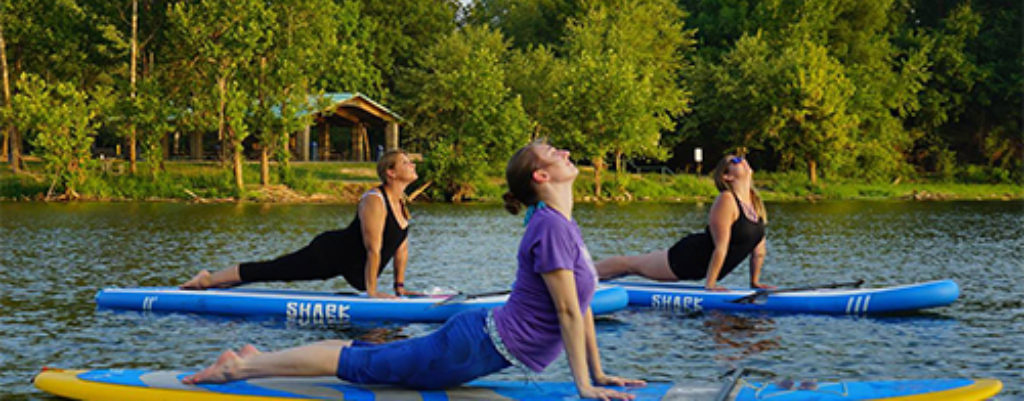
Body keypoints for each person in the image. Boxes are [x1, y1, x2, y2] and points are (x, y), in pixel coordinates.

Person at [184, 141, 645, 400]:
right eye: (553, 152)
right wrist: (583, 387)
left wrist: (599, 376)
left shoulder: (562, 224)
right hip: (473, 347)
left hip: (477, 345)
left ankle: (253, 356)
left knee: (364, 356)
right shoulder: (550, 229)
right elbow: (566, 313)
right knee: (360, 364)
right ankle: (239, 367)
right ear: (540, 178)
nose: (565, 152)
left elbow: (581, 306)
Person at [181, 149, 419, 298]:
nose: (413, 165)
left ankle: (221, 284)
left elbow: (401, 248)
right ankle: (207, 279)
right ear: (391, 172)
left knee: (272, 271)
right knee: (274, 270)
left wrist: (399, 286)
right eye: (406, 162)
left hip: (356, 269)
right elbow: (373, 248)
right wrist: (373, 292)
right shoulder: (374, 200)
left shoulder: (401, 204)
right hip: (329, 254)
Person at [594, 153, 771, 291]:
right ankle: (583, 277)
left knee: (633, 266)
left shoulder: (756, 204)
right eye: (736, 160)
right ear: (727, 176)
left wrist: (755, 282)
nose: (742, 161)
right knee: (632, 265)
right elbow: (721, 246)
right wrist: (710, 285)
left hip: (703, 268)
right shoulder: (727, 200)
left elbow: (758, 251)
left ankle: (592, 279)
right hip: (688, 258)